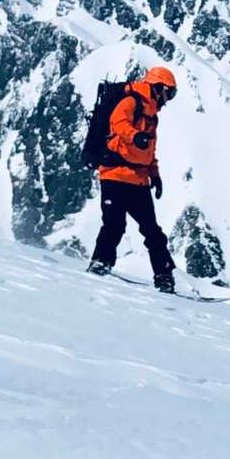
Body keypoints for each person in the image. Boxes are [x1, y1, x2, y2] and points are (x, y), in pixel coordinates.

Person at [87, 66, 179, 292]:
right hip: (115, 174)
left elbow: (150, 151)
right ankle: (100, 262)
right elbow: (118, 122)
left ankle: (164, 276)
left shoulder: (152, 117)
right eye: (169, 93)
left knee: (152, 231)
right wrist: (135, 136)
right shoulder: (131, 101)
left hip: (138, 180)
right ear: (158, 88)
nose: (168, 100)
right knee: (114, 224)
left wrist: (155, 174)